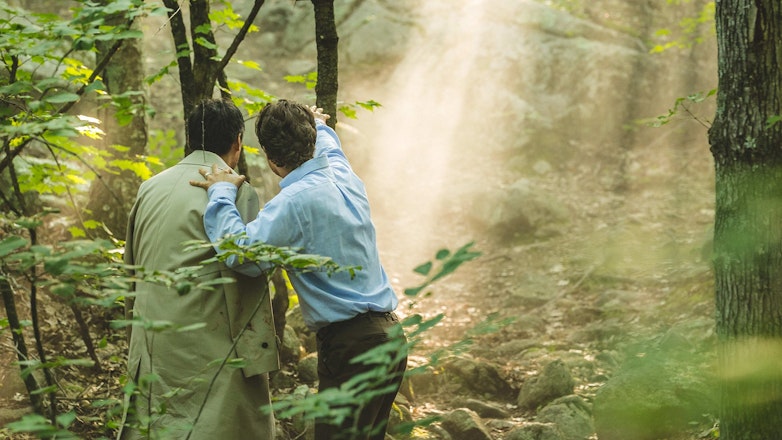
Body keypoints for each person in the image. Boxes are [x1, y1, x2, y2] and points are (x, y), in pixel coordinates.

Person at [190, 99, 407, 440]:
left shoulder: (292, 204)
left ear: (271, 158)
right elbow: (330, 146)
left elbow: (241, 255)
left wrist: (220, 192)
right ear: (310, 137)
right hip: (391, 339)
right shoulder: (343, 175)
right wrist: (319, 124)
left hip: (351, 348)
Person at [119, 98, 279, 440]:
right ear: (238, 142)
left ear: (189, 139)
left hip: (151, 344)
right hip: (209, 346)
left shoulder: (149, 187)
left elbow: (129, 270)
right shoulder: (235, 190)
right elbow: (253, 265)